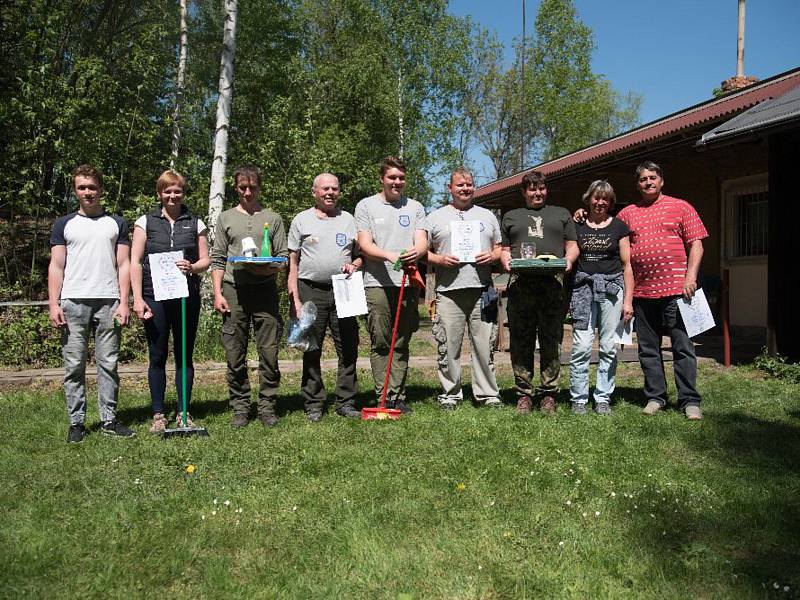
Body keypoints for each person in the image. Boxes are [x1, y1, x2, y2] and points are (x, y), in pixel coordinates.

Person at [48, 164, 134, 443]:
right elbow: (56, 266)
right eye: (82, 187)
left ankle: (109, 419)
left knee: (108, 363)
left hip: (109, 301)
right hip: (72, 301)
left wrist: (124, 302)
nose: (88, 192)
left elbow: (124, 264)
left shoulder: (116, 223)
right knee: (74, 365)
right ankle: (77, 423)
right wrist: (54, 304)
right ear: (75, 191)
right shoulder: (64, 224)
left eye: (92, 187)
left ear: (101, 190)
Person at [618, 161, 708, 420]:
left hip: (679, 292)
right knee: (648, 350)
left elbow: (697, 245)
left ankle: (689, 400)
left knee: (683, 347)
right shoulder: (628, 214)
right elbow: (607, 227)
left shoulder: (681, 207)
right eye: (643, 179)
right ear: (638, 184)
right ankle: (656, 397)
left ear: (661, 180)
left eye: (652, 177)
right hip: (643, 295)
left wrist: (690, 276)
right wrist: (581, 213)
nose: (648, 182)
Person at [130, 170, 210, 433]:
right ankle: (158, 413)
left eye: (177, 191)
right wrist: (138, 299)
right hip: (155, 297)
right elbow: (134, 261)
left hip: (186, 297)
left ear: (183, 193)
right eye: (167, 191)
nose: (172, 196)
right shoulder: (145, 222)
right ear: (159, 193)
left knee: (184, 356)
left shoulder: (195, 222)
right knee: (157, 354)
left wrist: (193, 267)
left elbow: (205, 260)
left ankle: (184, 413)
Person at [210, 164, 288, 428]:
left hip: (265, 290)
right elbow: (218, 258)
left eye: (252, 187)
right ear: (236, 187)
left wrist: (269, 267)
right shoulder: (226, 218)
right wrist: (217, 293)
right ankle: (241, 407)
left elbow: (284, 257)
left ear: (259, 188)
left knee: (269, 352)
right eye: (242, 187)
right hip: (234, 291)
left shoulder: (273, 218)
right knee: (235, 352)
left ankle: (267, 406)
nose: (247, 192)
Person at [500, 170, 579, 414]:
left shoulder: (561, 214)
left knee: (550, 340)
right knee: (520, 341)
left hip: (552, 285)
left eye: (541, 188)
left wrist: (568, 261)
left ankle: (548, 394)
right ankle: (523, 394)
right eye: (532, 189)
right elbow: (503, 249)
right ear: (524, 192)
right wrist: (505, 261)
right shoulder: (512, 216)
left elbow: (572, 246)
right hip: (520, 285)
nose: (538, 193)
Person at [355, 156, 428, 413]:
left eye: (401, 178)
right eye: (392, 177)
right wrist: (390, 255)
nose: (397, 182)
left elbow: (422, 242)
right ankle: (382, 396)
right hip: (376, 283)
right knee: (381, 340)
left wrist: (415, 253)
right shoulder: (365, 206)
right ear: (382, 179)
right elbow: (364, 244)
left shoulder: (416, 207)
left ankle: (398, 396)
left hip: (407, 282)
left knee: (401, 341)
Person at [287, 173, 363, 421]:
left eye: (334, 189)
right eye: (325, 189)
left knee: (348, 346)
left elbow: (361, 255)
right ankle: (313, 402)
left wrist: (355, 265)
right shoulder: (301, 220)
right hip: (311, 289)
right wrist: (295, 299)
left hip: (343, 289)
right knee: (311, 347)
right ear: (314, 192)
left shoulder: (348, 220)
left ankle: (346, 401)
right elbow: (293, 264)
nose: (330, 193)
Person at [426, 168, 502, 410]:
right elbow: (420, 251)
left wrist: (492, 256)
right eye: (460, 185)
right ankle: (451, 394)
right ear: (450, 188)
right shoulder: (435, 217)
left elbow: (500, 248)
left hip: (482, 289)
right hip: (449, 291)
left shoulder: (487, 216)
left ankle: (487, 394)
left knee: (484, 345)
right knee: (448, 346)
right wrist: (439, 260)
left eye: (469, 184)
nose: (465, 188)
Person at [568, 180, 634, 415]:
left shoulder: (619, 227)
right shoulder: (577, 224)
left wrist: (628, 301)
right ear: (588, 199)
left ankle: (603, 396)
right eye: (596, 197)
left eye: (605, 198)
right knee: (581, 346)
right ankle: (578, 398)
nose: (600, 202)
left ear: (610, 201)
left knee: (608, 346)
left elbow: (627, 265)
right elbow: (571, 251)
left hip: (612, 291)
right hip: (583, 290)